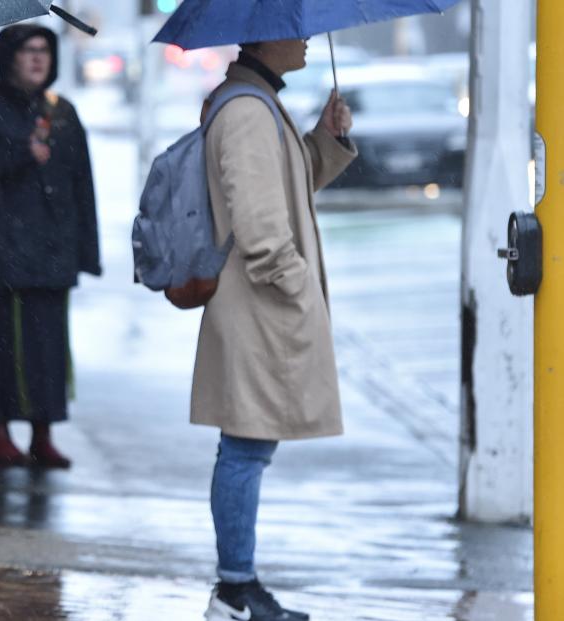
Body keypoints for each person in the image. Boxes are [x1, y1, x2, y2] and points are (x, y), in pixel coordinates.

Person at [193, 40, 355, 621]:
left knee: (248, 442)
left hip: (259, 302)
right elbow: (259, 221)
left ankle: (237, 585)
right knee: (245, 444)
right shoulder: (245, 110)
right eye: (296, 23)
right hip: (258, 304)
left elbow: (286, 181)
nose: (307, 37)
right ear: (266, 35)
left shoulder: (259, 102)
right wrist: (296, 285)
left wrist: (324, 140)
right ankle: (235, 590)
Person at [0, 24, 101, 469]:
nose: (37, 59)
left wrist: (87, 251)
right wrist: (22, 154)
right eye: (27, 51)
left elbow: (83, 185)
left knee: (48, 347)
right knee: (2, 344)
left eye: (44, 50)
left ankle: (43, 433)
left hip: (52, 250)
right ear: (9, 57)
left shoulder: (63, 112)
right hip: (2, 251)